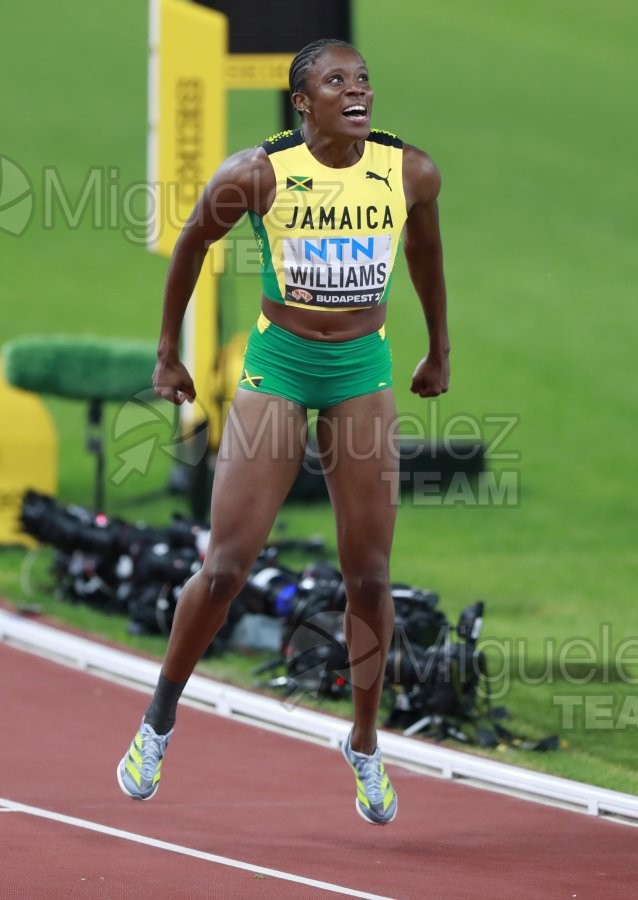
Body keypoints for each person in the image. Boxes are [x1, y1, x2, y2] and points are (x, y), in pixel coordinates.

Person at [117, 38, 449, 826]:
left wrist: (439, 349)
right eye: (337, 81)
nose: (357, 90)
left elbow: (427, 254)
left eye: (364, 78)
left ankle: (365, 741)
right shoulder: (257, 173)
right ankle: (159, 715)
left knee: (369, 575)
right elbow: (194, 243)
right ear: (303, 103)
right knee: (227, 565)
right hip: (280, 365)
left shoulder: (411, 171)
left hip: (360, 370)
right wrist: (168, 355)